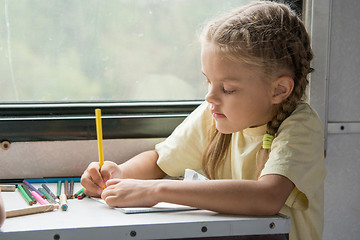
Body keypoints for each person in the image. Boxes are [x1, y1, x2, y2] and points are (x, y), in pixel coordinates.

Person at [81, 2, 326, 240]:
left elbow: (267, 197)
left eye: (228, 89)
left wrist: (155, 190)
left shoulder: (300, 126)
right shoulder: (213, 114)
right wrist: (118, 175)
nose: (210, 96)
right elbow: (159, 161)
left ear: (279, 90)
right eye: (208, 81)